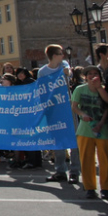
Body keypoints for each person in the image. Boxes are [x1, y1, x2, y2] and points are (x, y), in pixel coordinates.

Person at [39, 44, 81, 184]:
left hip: (67, 107)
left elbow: (69, 72)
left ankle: (74, 171)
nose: (63, 55)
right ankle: (60, 170)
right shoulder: (43, 72)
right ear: (54, 56)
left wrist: (67, 73)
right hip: (53, 109)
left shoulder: (63, 65)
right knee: (58, 140)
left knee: (74, 139)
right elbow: (42, 90)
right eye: (60, 53)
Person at [70, 65, 108, 199]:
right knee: (87, 159)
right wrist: (83, 114)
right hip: (85, 129)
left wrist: (99, 88)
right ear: (85, 77)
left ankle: (106, 188)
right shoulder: (80, 89)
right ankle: (90, 187)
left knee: (105, 160)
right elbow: (74, 107)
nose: (92, 76)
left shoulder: (103, 89)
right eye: (90, 74)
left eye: (95, 73)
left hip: (102, 129)